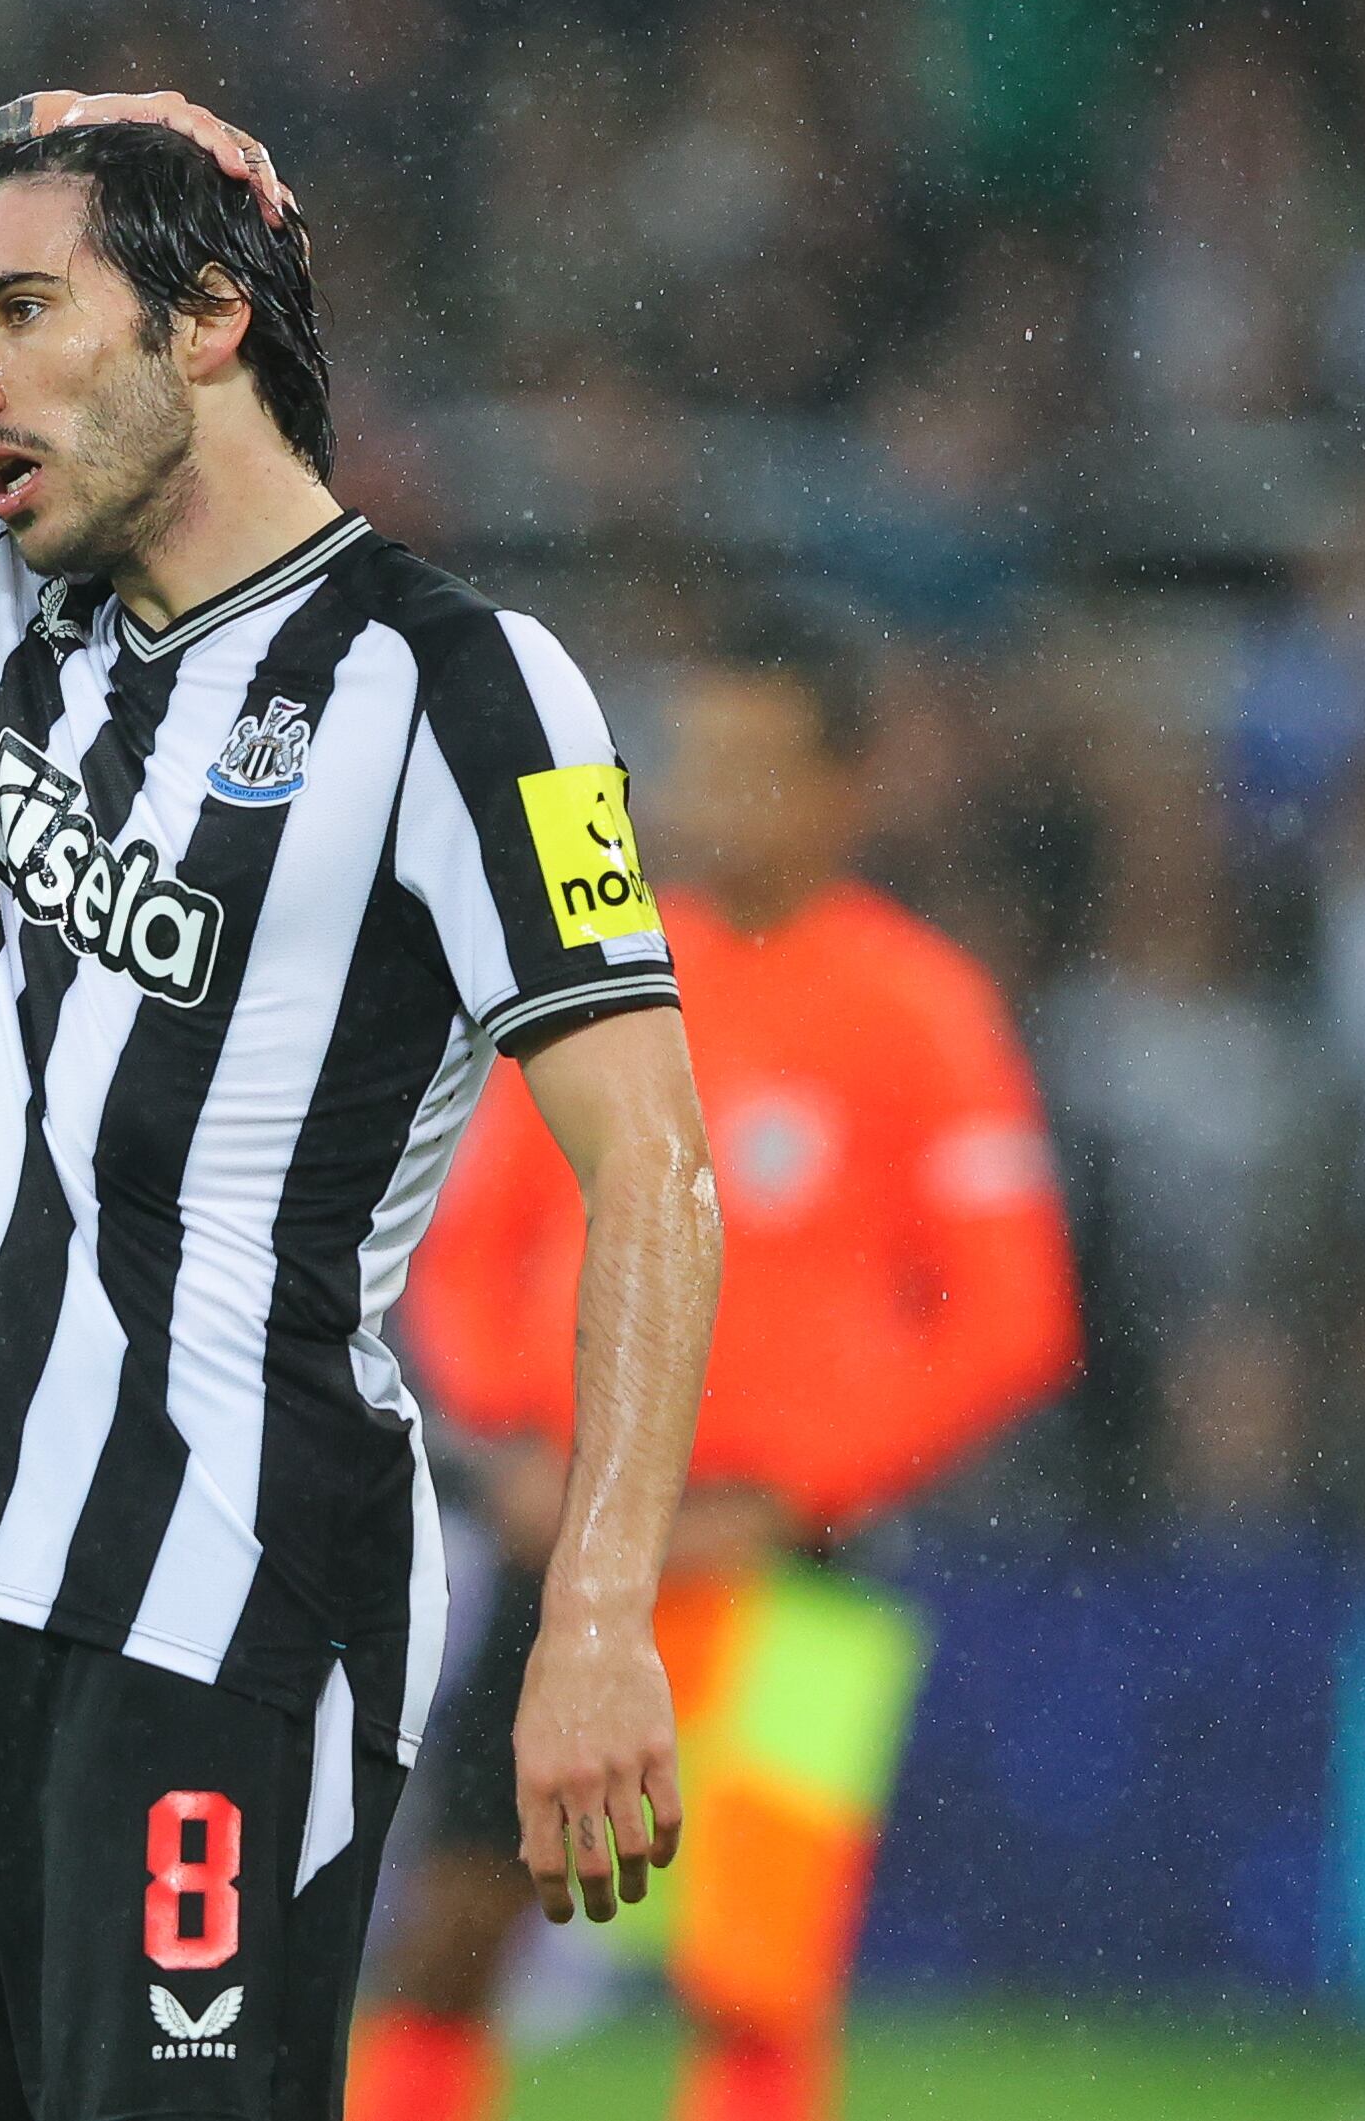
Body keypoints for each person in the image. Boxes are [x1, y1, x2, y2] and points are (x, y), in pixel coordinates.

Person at [0, 94, 720, 2119]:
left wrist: (601, 1613)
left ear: (202, 320)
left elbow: (656, 1165)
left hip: (226, 1616)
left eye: (22, 309)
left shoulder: (459, 691)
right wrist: (15, 136)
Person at [350, 601, 1081, 2121]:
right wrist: (515, 1447)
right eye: (699, 762)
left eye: (760, 766)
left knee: (756, 1986)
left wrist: (804, 1489)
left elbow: (1013, 1317)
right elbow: (470, 1251)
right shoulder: (600, 966)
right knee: (451, 1936)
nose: (716, 796)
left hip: (799, 1564)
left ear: (846, 788)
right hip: (579, 1545)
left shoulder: (918, 1010)